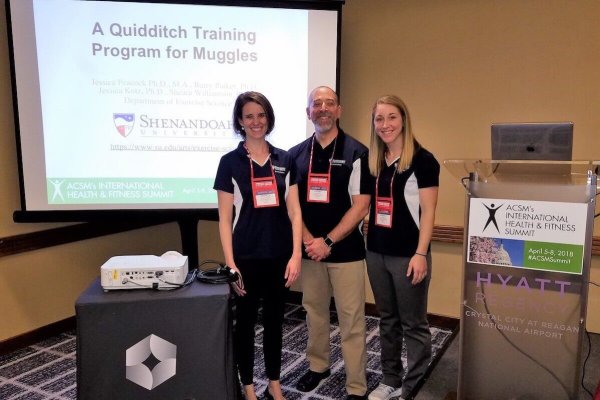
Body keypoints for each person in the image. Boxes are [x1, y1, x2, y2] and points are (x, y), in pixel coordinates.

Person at [214, 91, 302, 400]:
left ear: (269, 118)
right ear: (240, 121)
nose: (256, 121)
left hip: (279, 256)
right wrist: (231, 265)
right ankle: (249, 386)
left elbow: (295, 212)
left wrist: (296, 255)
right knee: (246, 324)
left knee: (276, 322)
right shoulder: (229, 163)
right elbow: (225, 219)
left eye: (261, 115)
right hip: (246, 259)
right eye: (249, 116)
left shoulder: (284, 159)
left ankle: (274, 383)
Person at [289, 86, 371, 400]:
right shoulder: (295, 155)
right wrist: (311, 241)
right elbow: (291, 206)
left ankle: (356, 385)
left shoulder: (357, 152)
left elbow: (361, 206)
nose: (323, 108)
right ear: (308, 112)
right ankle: (318, 366)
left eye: (329, 103)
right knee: (314, 312)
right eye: (317, 103)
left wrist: (328, 241)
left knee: (352, 320)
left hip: (346, 252)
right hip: (311, 251)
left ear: (339, 110)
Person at [365, 95, 439, 400]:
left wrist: (421, 254)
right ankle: (391, 378)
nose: (385, 125)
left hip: (409, 255)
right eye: (379, 119)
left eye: (392, 117)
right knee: (387, 320)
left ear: (404, 120)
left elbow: (429, 212)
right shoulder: (374, 160)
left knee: (413, 323)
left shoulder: (423, 160)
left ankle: (414, 385)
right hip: (376, 252)